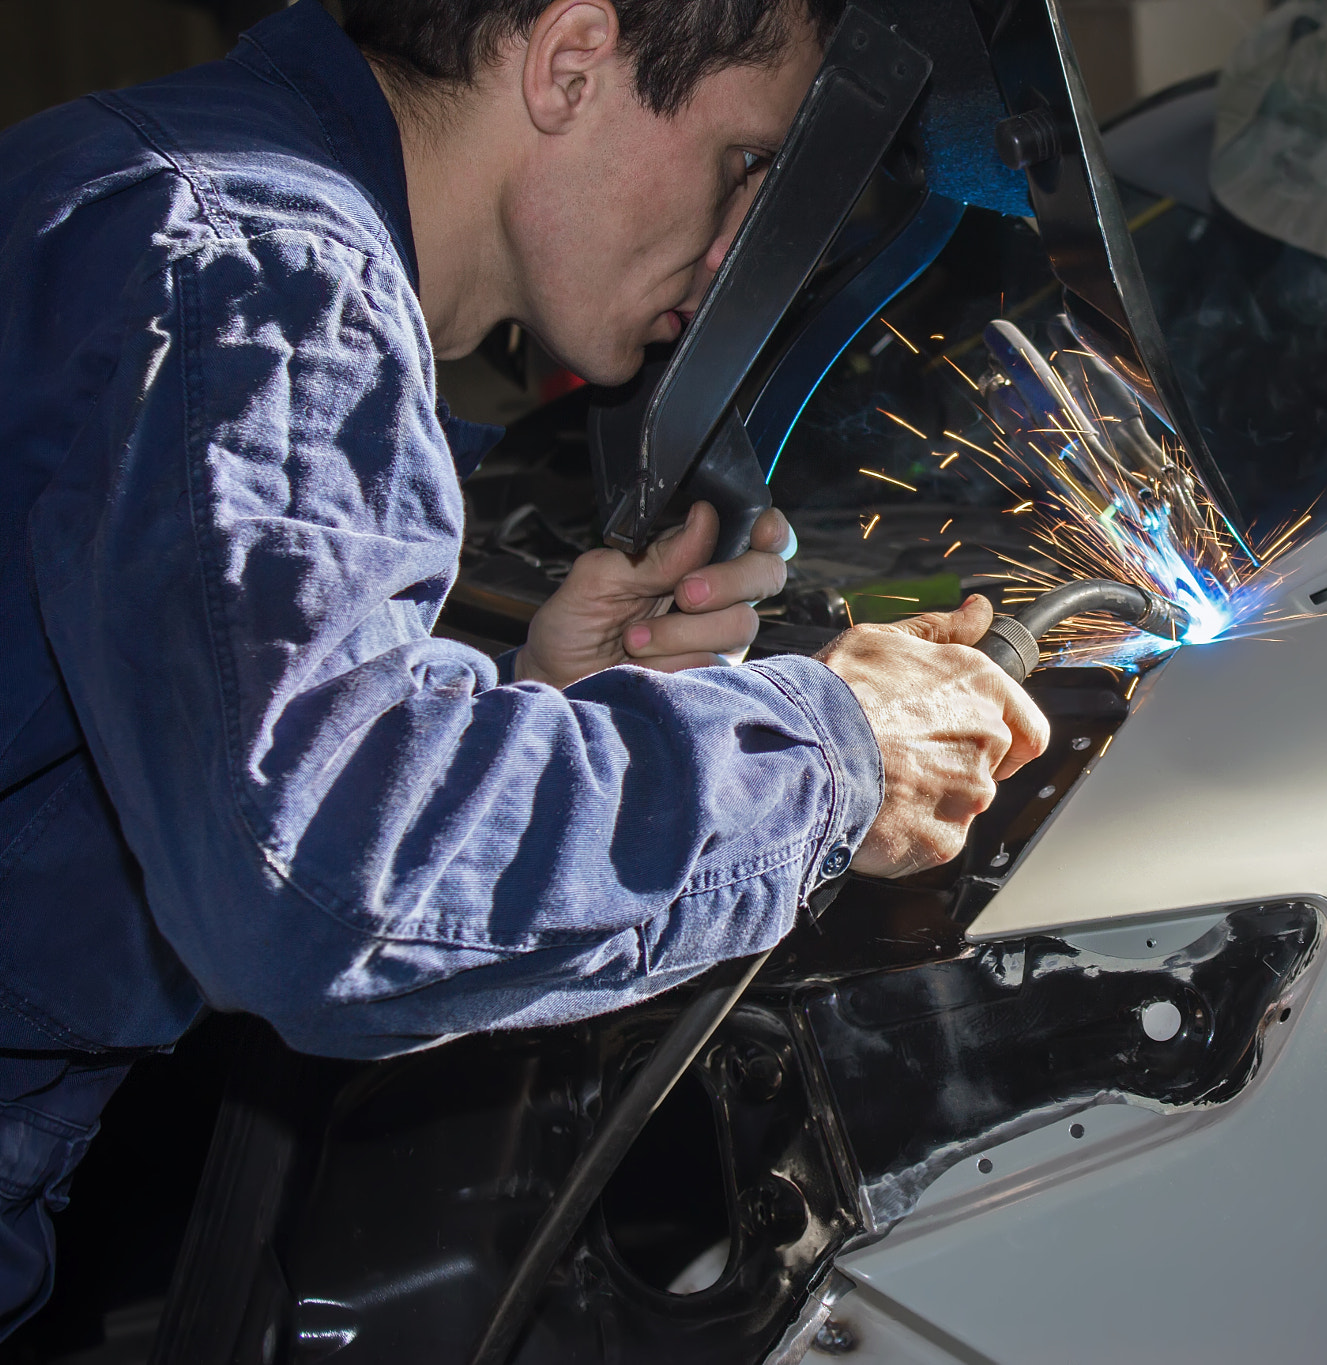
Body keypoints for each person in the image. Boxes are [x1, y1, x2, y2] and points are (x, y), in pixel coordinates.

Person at [0, 0, 1049, 1336]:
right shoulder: (262, 272)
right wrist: (831, 757)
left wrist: (516, 705)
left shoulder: (170, 187)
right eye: (741, 164)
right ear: (570, 61)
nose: (737, 243)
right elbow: (325, 879)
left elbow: (182, 744)